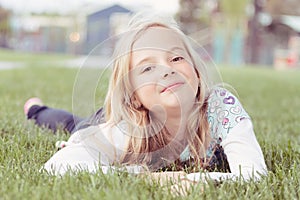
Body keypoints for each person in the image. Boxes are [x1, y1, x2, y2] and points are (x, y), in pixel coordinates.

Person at [25, 12, 267, 184]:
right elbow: (58, 167)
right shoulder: (129, 127)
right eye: (147, 68)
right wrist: (148, 178)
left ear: (195, 69)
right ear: (135, 96)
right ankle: (36, 109)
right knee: (73, 124)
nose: (166, 70)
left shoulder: (220, 108)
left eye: (176, 59)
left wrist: (195, 181)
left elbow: (254, 175)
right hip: (103, 122)